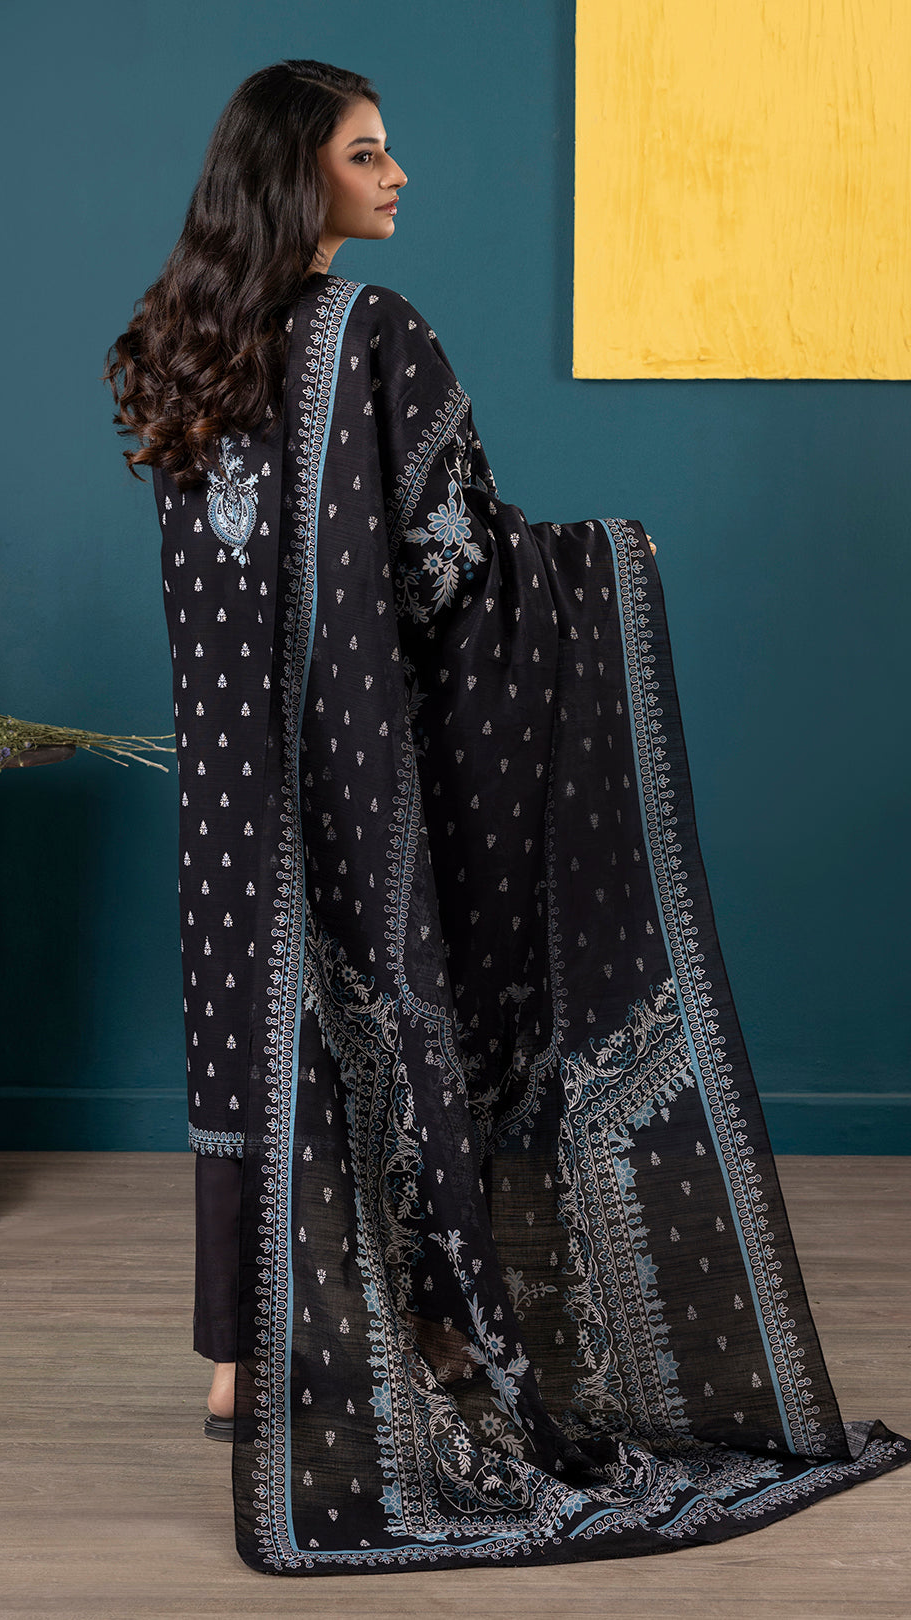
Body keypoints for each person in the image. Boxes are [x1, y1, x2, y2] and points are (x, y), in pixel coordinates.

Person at [106, 59, 907, 1578]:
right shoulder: (373, 331)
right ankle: (425, 1328)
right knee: (411, 1006)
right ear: (301, 176)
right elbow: (456, 564)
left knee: (259, 1023)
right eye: (368, 153)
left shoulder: (172, 345)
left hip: (231, 787)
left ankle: (239, 1357)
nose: (398, 174)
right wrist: (605, 562)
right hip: (374, 773)